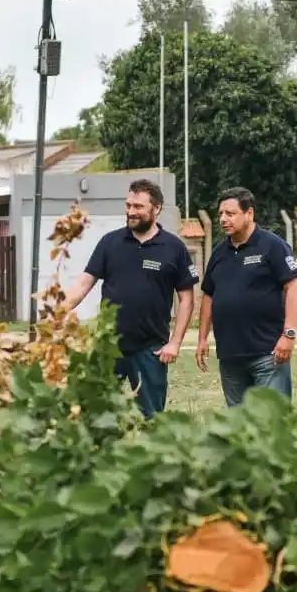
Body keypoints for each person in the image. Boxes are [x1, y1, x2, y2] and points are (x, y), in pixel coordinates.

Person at [60, 178, 197, 418]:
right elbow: (84, 283)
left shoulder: (174, 248)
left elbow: (186, 298)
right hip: (109, 346)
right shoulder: (110, 243)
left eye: (138, 207)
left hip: (151, 350)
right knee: (96, 413)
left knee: (151, 418)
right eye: (128, 206)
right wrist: (58, 313)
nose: (131, 212)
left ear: (156, 209)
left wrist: (174, 343)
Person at [195, 187, 297, 407]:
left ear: (249, 213)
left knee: (273, 421)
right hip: (230, 357)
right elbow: (208, 296)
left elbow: (293, 287)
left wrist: (289, 334)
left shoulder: (273, 246)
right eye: (221, 214)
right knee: (239, 428)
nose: (223, 219)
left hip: (268, 354)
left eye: (230, 213)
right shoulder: (219, 253)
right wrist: (202, 338)